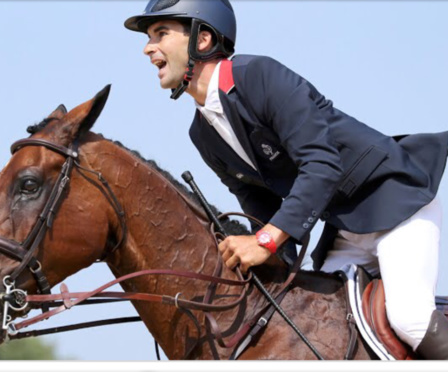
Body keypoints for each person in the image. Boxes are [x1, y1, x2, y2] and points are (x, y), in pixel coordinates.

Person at [124, 0, 448, 359]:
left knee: (409, 318)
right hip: (347, 230)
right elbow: (257, 201)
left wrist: (264, 241)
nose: (147, 47)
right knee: (315, 315)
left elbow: (323, 165)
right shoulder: (202, 133)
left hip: (397, 203)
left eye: (160, 33)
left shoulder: (260, 76)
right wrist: (272, 261)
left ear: (201, 40)